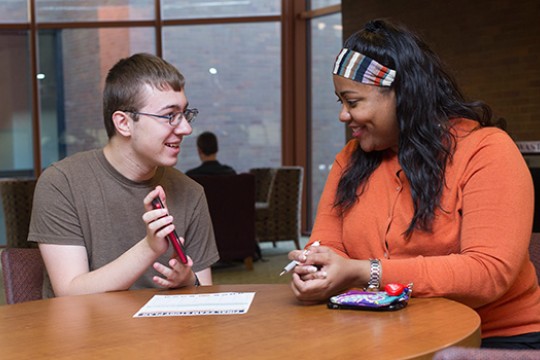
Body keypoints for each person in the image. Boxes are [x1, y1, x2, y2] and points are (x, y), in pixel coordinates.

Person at [288, 19, 540, 349]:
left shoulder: (486, 150)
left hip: (492, 340)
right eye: (341, 103)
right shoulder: (350, 160)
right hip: (385, 333)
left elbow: (487, 273)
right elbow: (327, 244)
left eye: (353, 101)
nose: (344, 116)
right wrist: (318, 268)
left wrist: (365, 272)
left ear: (403, 95)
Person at [28, 53, 220, 298]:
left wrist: (188, 280)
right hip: (87, 333)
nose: (186, 128)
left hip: (167, 334)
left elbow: (205, 294)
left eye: (185, 114)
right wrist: (149, 248)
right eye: (169, 115)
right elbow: (70, 292)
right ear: (124, 123)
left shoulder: (190, 192)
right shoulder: (61, 183)